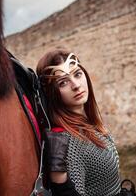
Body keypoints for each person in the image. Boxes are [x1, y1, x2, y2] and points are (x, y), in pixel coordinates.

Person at [37, 49, 121, 196]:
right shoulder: (68, 142)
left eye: (77, 74)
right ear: (52, 93)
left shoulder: (91, 125)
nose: (76, 85)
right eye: (63, 82)